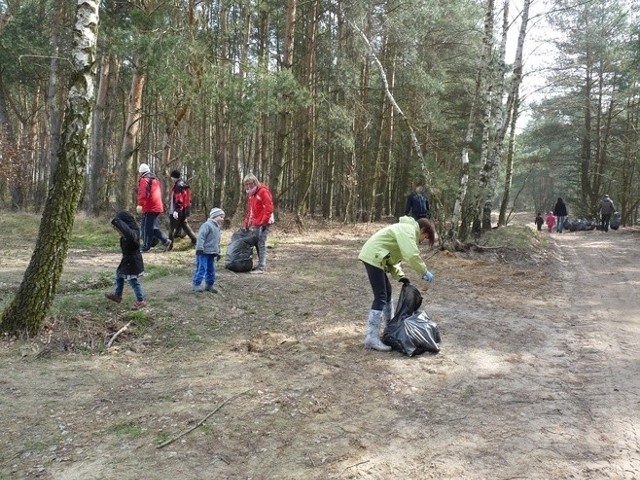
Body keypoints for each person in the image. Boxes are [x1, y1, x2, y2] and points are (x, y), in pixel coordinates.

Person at [358, 216, 437, 352]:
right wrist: (424, 271)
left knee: (387, 292)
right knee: (381, 296)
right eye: (425, 238)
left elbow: (393, 260)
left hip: (377, 256)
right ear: (423, 230)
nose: (423, 241)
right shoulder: (408, 230)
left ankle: (390, 329)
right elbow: (411, 255)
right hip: (373, 256)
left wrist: (401, 277)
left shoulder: (406, 231)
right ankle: (371, 337)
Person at [105, 211, 147, 310]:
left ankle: (141, 300)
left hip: (132, 262)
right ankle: (118, 295)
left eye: (119, 228)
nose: (117, 230)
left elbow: (129, 234)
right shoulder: (127, 235)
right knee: (119, 275)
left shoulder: (133, 234)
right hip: (127, 260)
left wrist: (117, 221)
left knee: (133, 281)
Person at [242, 174, 274, 274]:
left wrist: (263, 222)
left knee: (261, 243)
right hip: (257, 222)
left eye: (250, 184)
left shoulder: (263, 192)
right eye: (246, 184)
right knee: (256, 242)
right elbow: (251, 211)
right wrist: (246, 223)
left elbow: (269, 208)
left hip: (265, 222)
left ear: (255, 182)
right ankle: (260, 264)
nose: (248, 186)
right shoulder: (251, 195)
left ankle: (261, 267)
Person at [136, 163, 171, 252]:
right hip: (156, 206)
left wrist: (140, 204)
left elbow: (143, 193)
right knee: (150, 227)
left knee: (146, 228)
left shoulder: (145, 180)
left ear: (141, 172)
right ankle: (165, 241)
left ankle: (146, 246)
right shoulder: (155, 179)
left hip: (150, 207)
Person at [193, 208, 225, 293]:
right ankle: (197, 284)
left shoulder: (218, 227)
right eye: (221, 216)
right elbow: (201, 237)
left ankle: (209, 285)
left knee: (211, 269)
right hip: (203, 252)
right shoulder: (207, 225)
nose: (223, 219)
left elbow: (217, 241)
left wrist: (218, 252)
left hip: (212, 253)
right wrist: (199, 248)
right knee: (202, 268)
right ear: (215, 216)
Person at [168, 169, 196, 249]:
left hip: (178, 211)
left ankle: (169, 245)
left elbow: (179, 199)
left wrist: (176, 210)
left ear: (173, 177)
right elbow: (188, 199)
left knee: (171, 228)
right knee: (185, 226)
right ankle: (195, 240)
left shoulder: (178, 186)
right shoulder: (184, 185)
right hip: (184, 210)